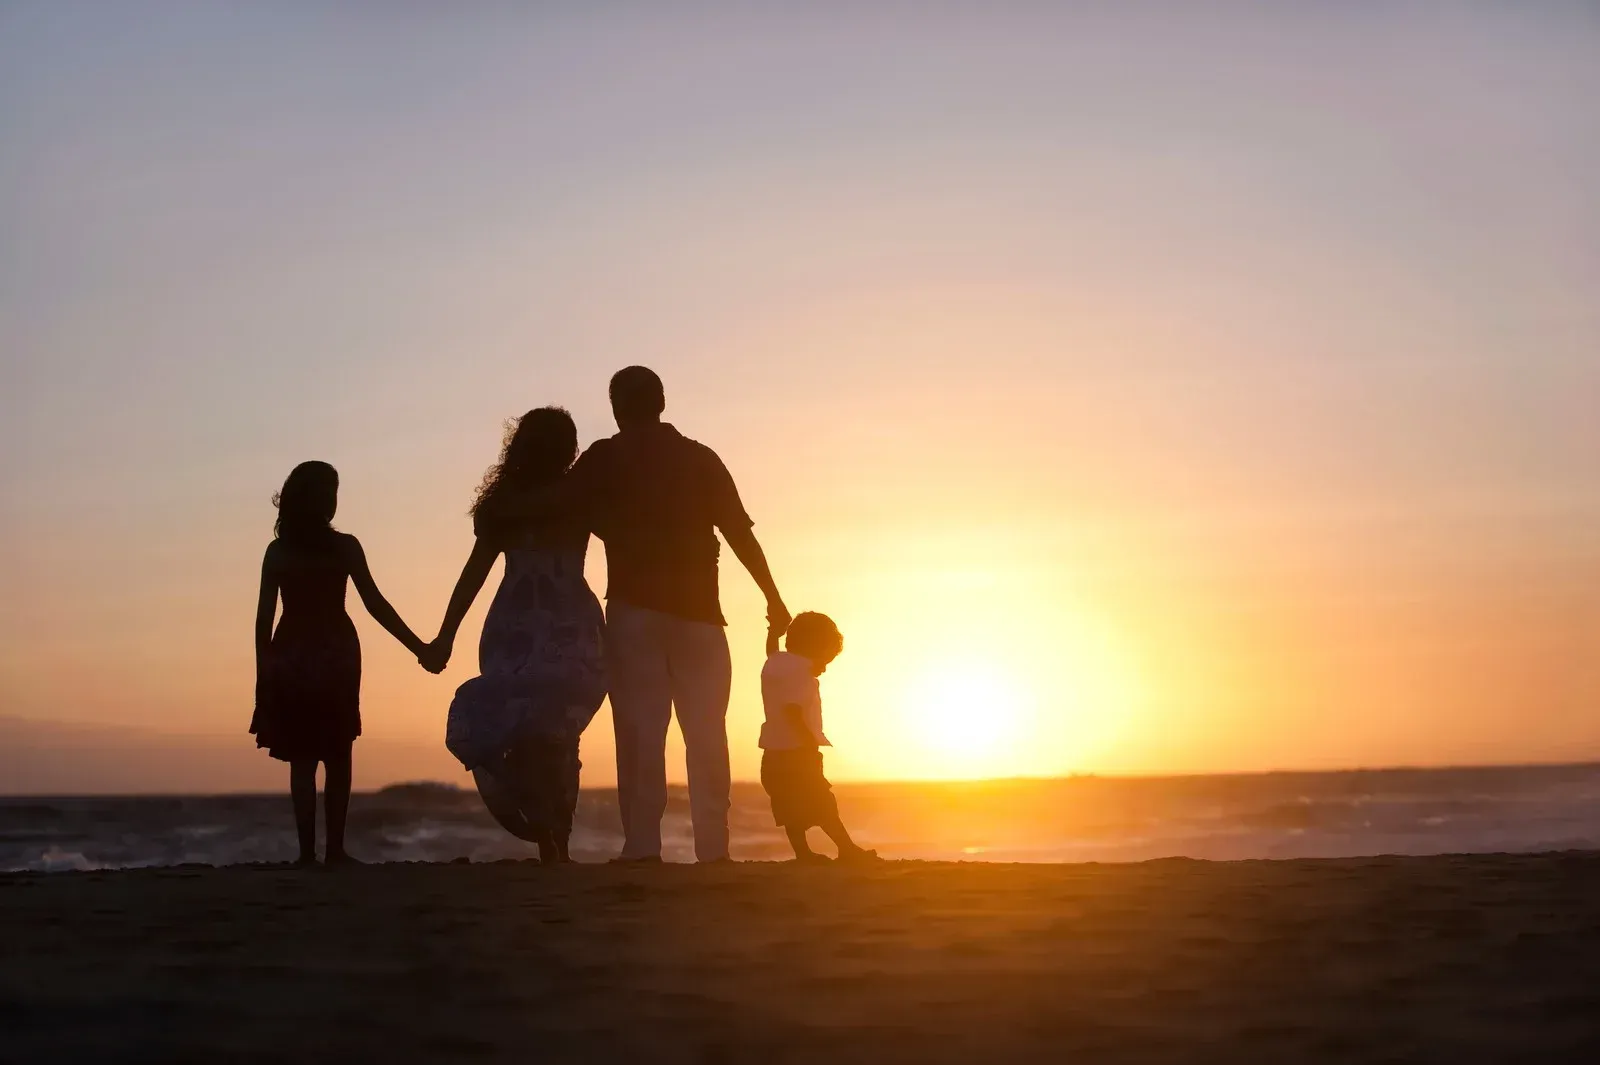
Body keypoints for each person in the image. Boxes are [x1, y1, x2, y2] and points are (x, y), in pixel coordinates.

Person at [423, 408, 607, 864]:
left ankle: (546, 832)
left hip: (515, 625)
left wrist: (446, 636)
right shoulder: (576, 495)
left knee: (532, 730)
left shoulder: (503, 505)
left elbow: (473, 576)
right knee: (560, 734)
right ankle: (554, 839)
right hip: (567, 622)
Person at [253, 460, 430, 866]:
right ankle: (318, 852)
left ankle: (323, 851)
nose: (332, 501)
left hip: (319, 654)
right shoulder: (318, 549)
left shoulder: (300, 550)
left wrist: (418, 646)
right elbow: (262, 621)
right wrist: (263, 679)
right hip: (314, 654)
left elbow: (375, 604)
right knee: (317, 754)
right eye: (326, 492)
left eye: (335, 492)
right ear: (306, 498)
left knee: (331, 752)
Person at [759, 612, 877, 863]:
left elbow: (772, 651)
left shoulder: (775, 661)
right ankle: (846, 849)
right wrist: (809, 741)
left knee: (788, 806)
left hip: (772, 755)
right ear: (815, 648)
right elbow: (793, 710)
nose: (823, 669)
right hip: (797, 753)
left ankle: (802, 853)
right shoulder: (801, 674)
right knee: (823, 803)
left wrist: (773, 633)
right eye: (825, 660)